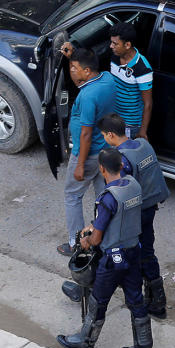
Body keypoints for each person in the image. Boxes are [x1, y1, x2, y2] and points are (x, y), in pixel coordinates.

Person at [57, 148, 153, 348]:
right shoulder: (133, 185)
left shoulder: (108, 198)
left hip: (112, 259)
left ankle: (86, 341)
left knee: (98, 300)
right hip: (133, 252)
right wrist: (95, 225)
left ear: (101, 169)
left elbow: (97, 238)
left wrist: (86, 240)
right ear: (121, 165)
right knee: (136, 300)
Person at [97, 114, 169, 318]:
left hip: (135, 213)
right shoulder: (142, 144)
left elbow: (122, 190)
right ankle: (158, 301)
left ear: (110, 135)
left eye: (104, 135)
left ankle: (125, 294)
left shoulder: (120, 159)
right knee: (147, 251)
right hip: (150, 206)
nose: (104, 139)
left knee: (119, 251)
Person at [58, 48, 118, 256]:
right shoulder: (108, 79)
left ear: (87, 71)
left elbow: (85, 134)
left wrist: (80, 164)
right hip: (105, 151)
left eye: (74, 68)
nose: (71, 72)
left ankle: (76, 243)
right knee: (103, 197)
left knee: (72, 195)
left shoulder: (87, 96)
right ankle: (101, 236)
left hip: (89, 154)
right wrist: (73, 55)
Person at [108, 22, 153, 139]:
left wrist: (142, 132)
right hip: (113, 117)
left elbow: (147, 104)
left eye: (115, 43)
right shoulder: (114, 56)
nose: (111, 46)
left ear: (127, 45)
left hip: (130, 124)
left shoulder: (143, 68)